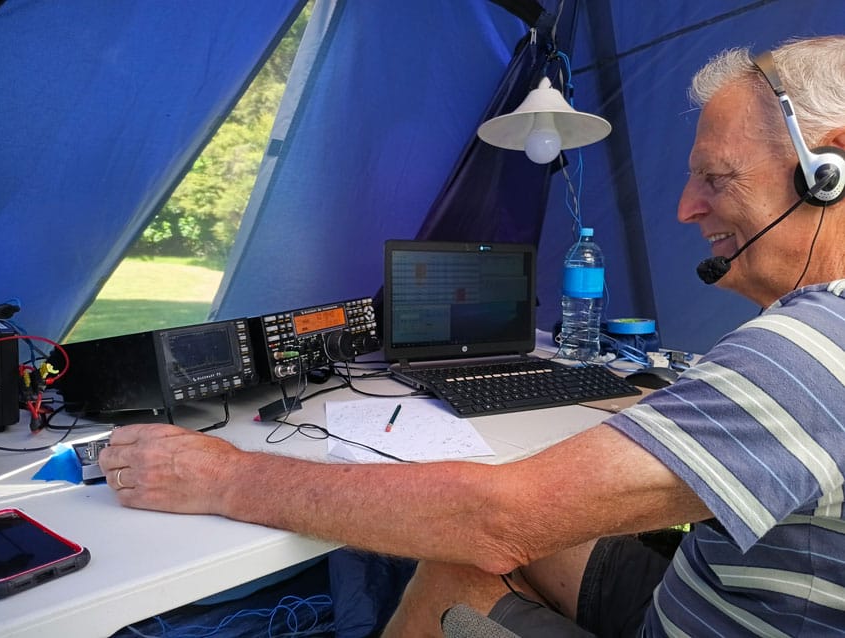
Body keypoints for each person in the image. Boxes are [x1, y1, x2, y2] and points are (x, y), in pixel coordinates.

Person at [99, 35, 845, 636]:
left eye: (716, 178)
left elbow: (498, 521)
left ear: (829, 169)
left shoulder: (811, 345)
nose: (685, 209)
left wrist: (227, 477)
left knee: (464, 560)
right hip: (718, 588)